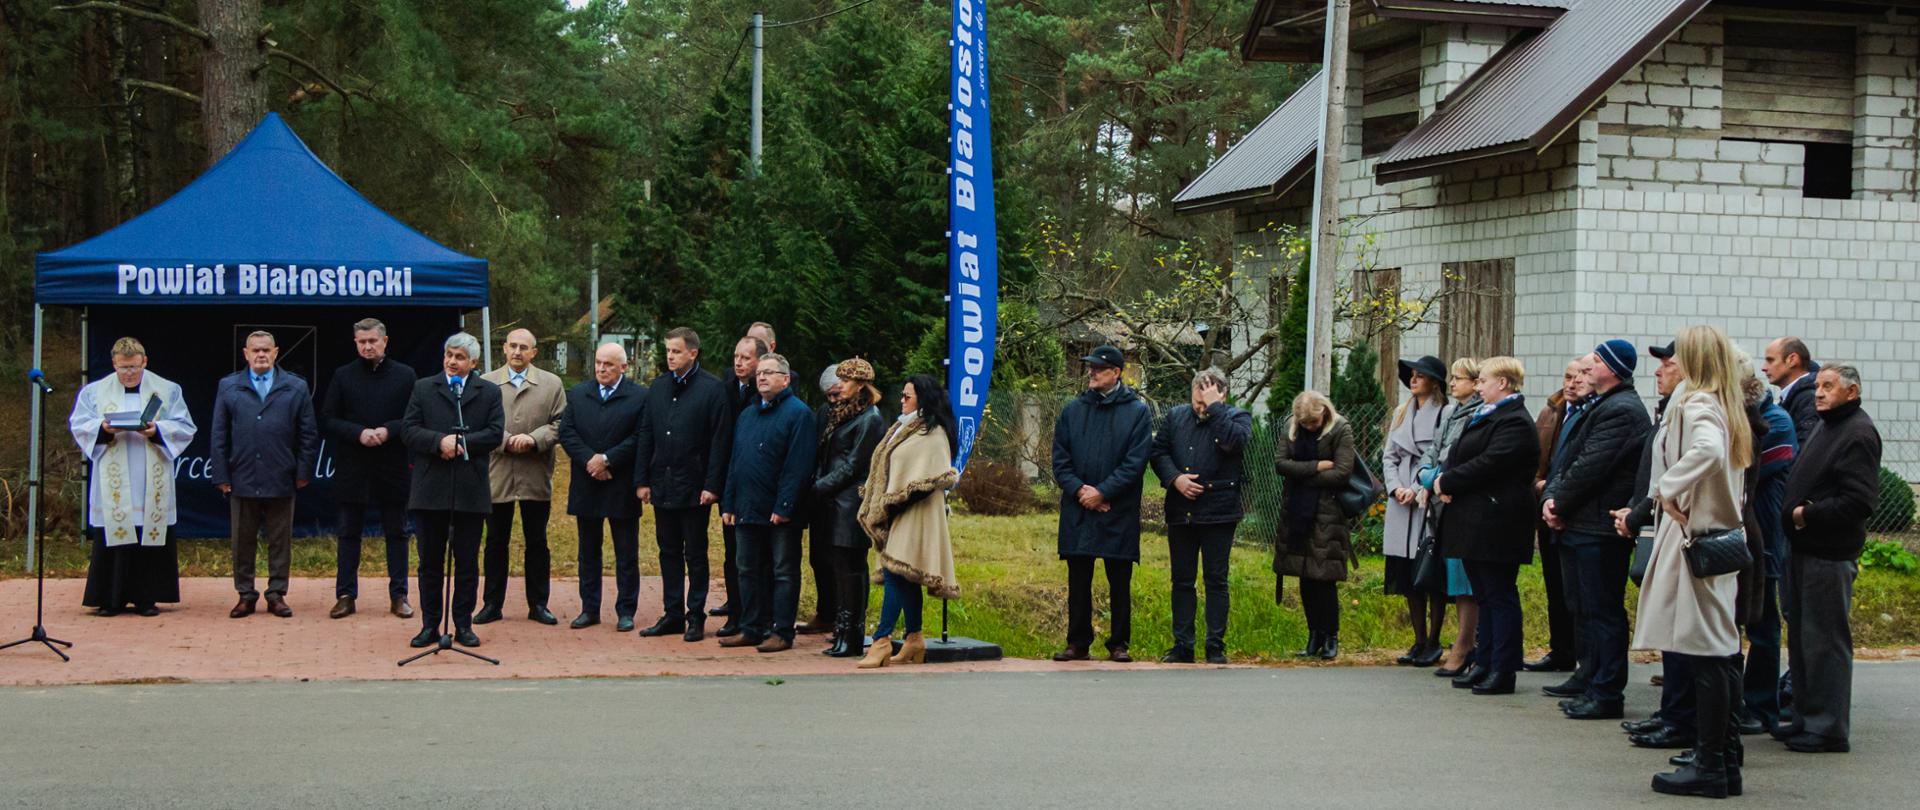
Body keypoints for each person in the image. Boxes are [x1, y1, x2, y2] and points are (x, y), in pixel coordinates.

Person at [1634, 325, 1752, 798]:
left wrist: (1667, 487)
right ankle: (1723, 759)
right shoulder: (1725, 404)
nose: (1670, 364)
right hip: (1716, 538)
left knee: (1708, 654)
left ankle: (1711, 764)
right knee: (1719, 653)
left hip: (1698, 539)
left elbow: (1706, 450)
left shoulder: (1698, 402)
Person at [1542, 341, 1652, 720]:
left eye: (1597, 363)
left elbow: (1592, 466)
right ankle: (1588, 676)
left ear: (1615, 369)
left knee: (1602, 609)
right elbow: (1566, 462)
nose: (1588, 368)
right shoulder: (1602, 404)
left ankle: (1606, 690)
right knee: (1583, 607)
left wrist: (1559, 503)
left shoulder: (1622, 410)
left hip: (1599, 527)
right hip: (1580, 521)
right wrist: (1553, 500)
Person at [1775, 363, 1881, 755]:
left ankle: (1828, 729)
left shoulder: (1858, 432)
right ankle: (1805, 716)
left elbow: (1859, 501)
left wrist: (1806, 514)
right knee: (1804, 641)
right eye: (1818, 385)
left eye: (1829, 386)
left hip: (1829, 553)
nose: (1818, 392)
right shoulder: (1828, 423)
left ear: (1852, 392)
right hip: (1804, 550)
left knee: (1825, 642)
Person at [1434, 356, 1539, 695]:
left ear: (1503, 384)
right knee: (1484, 593)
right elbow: (1459, 453)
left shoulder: (1516, 422)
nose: (1477, 386)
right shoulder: (1486, 415)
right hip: (1476, 518)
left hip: (1499, 521)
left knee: (1499, 594)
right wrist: (1445, 479)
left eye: (1483, 381)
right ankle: (1484, 661)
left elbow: (1490, 463)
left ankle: (1503, 668)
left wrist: (1448, 482)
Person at [69, 337, 195, 617]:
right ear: (114, 363)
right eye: (123, 367)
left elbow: (184, 425)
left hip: (152, 475)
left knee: (148, 535)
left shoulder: (167, 389)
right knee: (116, 533)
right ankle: (110, 598)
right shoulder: (94, 392)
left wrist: (157, 430)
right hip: (114, 476)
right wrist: (102, 428)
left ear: (145, 362)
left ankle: (146, 598)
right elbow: (79, 423)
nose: (129, 373)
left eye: (135, 368)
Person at [1617, 342, 1699, 751]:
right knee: (1671, 628)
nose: (1659, 370)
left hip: (1688, 528)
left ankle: (1688, 724)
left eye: (1669, 363)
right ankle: (1673, 714)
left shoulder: (1696, 409)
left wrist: (1648, 506)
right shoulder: (1673, 406)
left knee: (1691, 635)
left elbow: (1696, 463)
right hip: (1663, 521)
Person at [401, 332, 505, 649]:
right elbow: (408, 430)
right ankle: (430, 624)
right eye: (449, 355)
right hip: (430, 487)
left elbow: (495, 432)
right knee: (430, 562)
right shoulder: (423, 387)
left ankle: (463, 624)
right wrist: (438, 442)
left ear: (473, 362)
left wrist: (463, 443)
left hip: (470, 488)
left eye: (459, 357)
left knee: (467, 562)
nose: (452, 361)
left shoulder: (487, 392)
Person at [1050, 345, 1153, 663]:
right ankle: (1077, 643)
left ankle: (1119, 643)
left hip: (1116, 510)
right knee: (1078, 579)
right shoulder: (1073, 410)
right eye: (1090, 367)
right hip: (1079, 508)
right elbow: (1060, 459)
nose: (1091, 372)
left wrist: (1103, 493)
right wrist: (1082, 492)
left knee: (1119, 579)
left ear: (1117, 373)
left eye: (1099, 368)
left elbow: (1134, 464)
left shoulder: (1137, 412)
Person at [634, 327, 734, 642]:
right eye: (667, 351)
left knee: (695, 552)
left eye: (676, 351)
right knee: (668, 551)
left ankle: (695, 615)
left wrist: (712, 484)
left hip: (695, 486)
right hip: (662, 482)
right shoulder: (658, 387)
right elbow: (646, 433)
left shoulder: (712, 389)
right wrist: (642, 479)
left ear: (693, 353)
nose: (670, 357)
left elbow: (720, 441)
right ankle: (673, 612)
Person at [211, 330, 318, 619]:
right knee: (241, 540)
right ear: (245, 354)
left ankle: (276, 594)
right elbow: (219, 434)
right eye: (255, 350)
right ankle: (245, 594)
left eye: (266, 350)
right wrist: (221, 475)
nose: (261, 354)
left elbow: (308, 434)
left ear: (276, 352)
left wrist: (303, 471)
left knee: (280, 540)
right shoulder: (229, 386)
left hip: (281, 475)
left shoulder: (295, 387)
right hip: (241, 475)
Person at [856, 374, 961, 668]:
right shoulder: (905, 429)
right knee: (906, 574)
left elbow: (931, 475)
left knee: (895, 572)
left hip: (917, 511)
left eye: (907, 397)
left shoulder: (933, 432)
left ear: (923, 400)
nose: (901, 401)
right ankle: (914, 638)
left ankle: (881, 641)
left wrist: (895, 502)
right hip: (900, 510)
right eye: (901, 396)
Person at [1149, 368, 1253, 664]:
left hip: (1219, 512)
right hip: (1181, 511)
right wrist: (1175, 479)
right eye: (1197, 402)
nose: (1200, 408)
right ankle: (1183, 645)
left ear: (1222, 396)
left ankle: (1215, 645)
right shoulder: (1175, 417)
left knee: (1215, 580)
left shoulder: (1237, 418)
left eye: (1206, 403)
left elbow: (1234, 443)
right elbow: (1158, 453)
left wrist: (1216, 409)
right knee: (1182, 580)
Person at [320, 318, 418, 620]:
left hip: (392, 464)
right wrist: (358, 433)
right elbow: (328, 418)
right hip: (354, 465)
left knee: (397, 532)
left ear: (385, 342)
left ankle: (399, 595)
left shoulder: (405, 375)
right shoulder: (343, 375)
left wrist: (389, 430)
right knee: (348, 532)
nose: (367, 346)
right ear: (355, 343)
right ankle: (346, 595)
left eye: (372, 341)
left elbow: (415, 418)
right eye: (361, 342)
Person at [720, 351, 817, 653]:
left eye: (769, 372)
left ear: (785, 379)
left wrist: (784, 506)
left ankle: (782, 630)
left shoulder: (798, 413)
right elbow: (737, 461)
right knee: (746, 568)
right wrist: (729, 502)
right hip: (747, 507)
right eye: (758, 372)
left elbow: (798, 466)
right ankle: (751, 627)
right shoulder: (748, 414)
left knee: (783, 571)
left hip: (780, 513)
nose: (760, 377)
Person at [476, 328, 565, 626]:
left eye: (523, 347)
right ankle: (492, 603)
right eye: (512, 346)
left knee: (537, 541)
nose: (517, 352)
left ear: (534, 352)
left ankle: (539, 604)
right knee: (495, 541)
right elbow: (478, 421)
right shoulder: (486, 383)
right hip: (496, 474)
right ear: (504, 348)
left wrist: (534, 438)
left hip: (535, 474)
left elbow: (561, 423)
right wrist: (504, 440)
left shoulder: (551, 384)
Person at [557, 343, 647, 632]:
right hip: (587, 482)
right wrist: (591, 461)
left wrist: (608, 460)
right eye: (598, 363)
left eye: (608, 364)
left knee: (626, 552)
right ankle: (589, 608)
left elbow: (640, 436)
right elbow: (567, 432)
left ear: (623, 367)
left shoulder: (639, 396)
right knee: (588, 551)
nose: (601, 369)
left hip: (620, 483)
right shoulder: (579, 393)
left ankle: (626, 610)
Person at [1737, 355, 1797, 734]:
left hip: (1767, 540)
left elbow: (1744, 470)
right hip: (1746, 536)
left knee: (1763, 626)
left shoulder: (1775, 422)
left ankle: (1761, 708)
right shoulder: (1750, 420)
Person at [1274, 390, 1356, 661]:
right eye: (1305, 423)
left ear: (1325, 412)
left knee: (1324, 578)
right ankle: (1313, 636)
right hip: (1297, 512)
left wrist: (1302, 476)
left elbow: (1343, 472)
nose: (1310, 427)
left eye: (1314, 422)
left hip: (1328, 514)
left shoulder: (1341, 428)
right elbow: (1281, 463)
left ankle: (1331, 636)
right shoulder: (1292, 426)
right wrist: (1316, 466)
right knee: (1305, 577)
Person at [811, 359, 886, 657]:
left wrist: (819, 486)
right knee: (839, 568)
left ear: (860, 385)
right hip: (834, 501)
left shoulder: (870, 418)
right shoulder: (841, 414)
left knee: (851, 570)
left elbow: (855, 465)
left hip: (850, 502)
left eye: (845, 380)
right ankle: (842, 630)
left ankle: (852, 634)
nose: (839, 384)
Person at [1381, 356, 1448, 667]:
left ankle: (1434, 640)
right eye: (1413, 375)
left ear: (1434, 382)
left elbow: (1441, 458)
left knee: (1429, 572)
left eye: (1421, 376)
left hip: (1427, 500)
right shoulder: (1401, 411)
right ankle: (1418, 639)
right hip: (1401, 502)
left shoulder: (1444, 413)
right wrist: (1395, 488)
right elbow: (1389, 456)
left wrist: (1419, 489)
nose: (1414, 379)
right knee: (1407, 574)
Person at [1418, 357, 1481, 678]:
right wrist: (1426, 475)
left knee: (1464, 578)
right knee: (1453, 576)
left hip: (1457, 497)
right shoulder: (1452, 412)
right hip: (1441, 498)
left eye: (1459, 378)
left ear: (1475, 381)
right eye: (1452, 378)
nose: (1452, 383)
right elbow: (1433, 451)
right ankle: (1466, 641)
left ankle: (1467, 642)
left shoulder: (1478, 414)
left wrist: (1437, 479)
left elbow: (1457, 456)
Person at [1526, 358, 1588, 675]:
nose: (1572, 382)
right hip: (1545, 502)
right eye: (1567, 375)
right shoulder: (1551, 409)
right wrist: (1539, 483)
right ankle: (1560, 648)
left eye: (1579, 376)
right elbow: (1539, 453)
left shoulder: (1591, 413)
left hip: (1574, 508)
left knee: (1575, 589)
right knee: (1553, 582)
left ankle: (1581, 654)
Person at [711, 334, 770, 636]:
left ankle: (762, 617)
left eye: (746, 357)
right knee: (734, 554)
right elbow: (720, 440)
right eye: (736, 356)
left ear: (761, 362)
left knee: (762, 558)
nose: (738, 362)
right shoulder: (726, 391)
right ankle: (736, 615)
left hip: (762, 487)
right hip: (732, 484)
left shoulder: (768, 395)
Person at [797, 363, 843, 636]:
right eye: (829, 396)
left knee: (841, 562)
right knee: (819, 558)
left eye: (837, 394)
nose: (834, 401)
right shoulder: (824, 413)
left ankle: (844, 617)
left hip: (843, 498)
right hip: (820, 497)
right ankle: (826, 612)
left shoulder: (863, 415)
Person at [1762, 337, 1819, 443]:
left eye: (1770, 360)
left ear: (1792, 360)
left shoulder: (1809, 398)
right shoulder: (1800, 396)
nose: (1763, 368)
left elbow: (1803, 450)